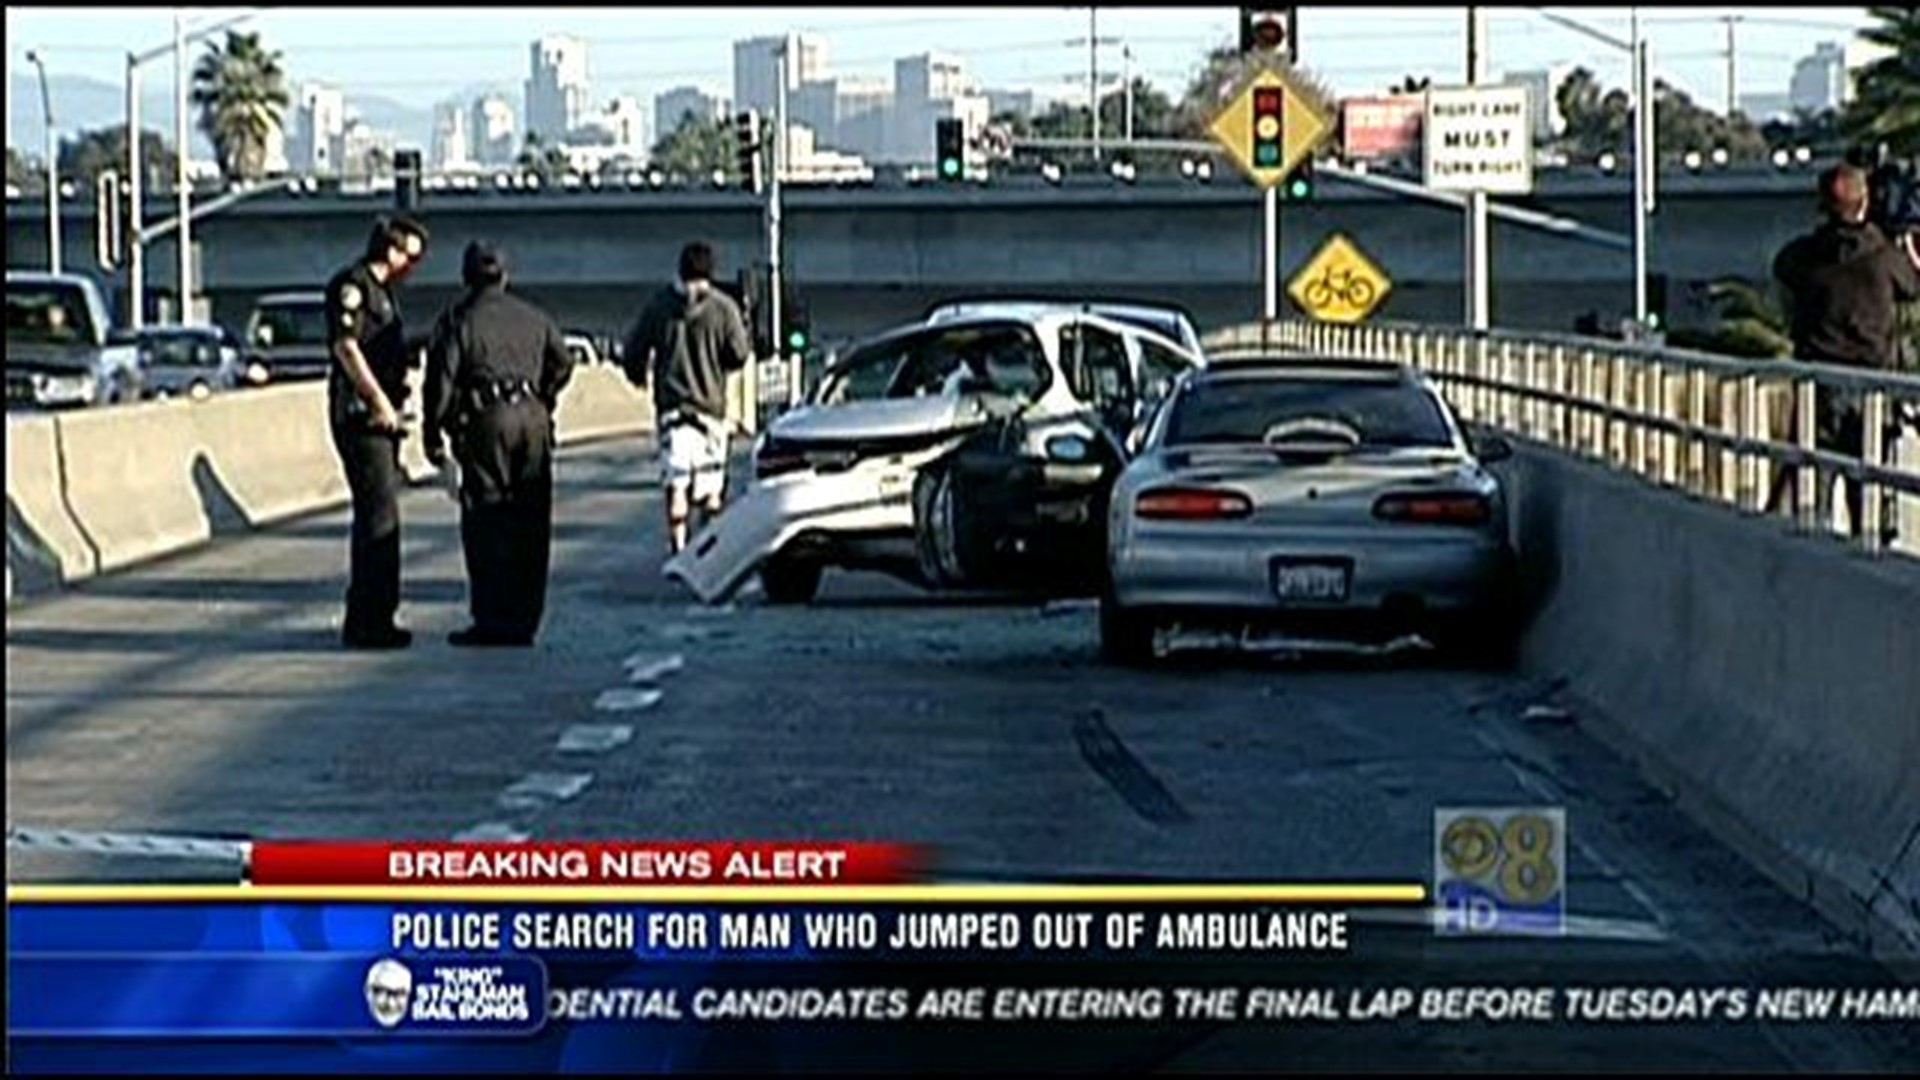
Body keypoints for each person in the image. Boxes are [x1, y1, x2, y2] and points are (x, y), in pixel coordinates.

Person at [424, 242, 575, 647]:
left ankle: (492, 618)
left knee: (487, 521)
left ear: (466, 278)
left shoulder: (459, 320)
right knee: (531, 519)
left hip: (485, 423)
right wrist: (542, 395)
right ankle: (525, 618)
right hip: (533, 421)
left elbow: (440, 381)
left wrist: (433, 435)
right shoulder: (534, 316)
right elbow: (564, 362)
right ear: (504, 277)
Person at [1769, 164, 1920, 535]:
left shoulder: (1803, 257)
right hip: (1873, 392)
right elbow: (1913, 286)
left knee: (1810, 495)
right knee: (1868, 495)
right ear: (1865, 202)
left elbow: (1783, 267)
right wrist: (1901, 241)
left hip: (1817, 389)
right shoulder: (1883, 258)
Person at [327, 214, 429, 649]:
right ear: (391, 250)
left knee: (380, 516)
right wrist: (378, 402)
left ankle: (374, 615)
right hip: (360, 417)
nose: (413, 268)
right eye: (411, 257)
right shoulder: (352, 287)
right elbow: (346, 347)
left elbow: (384, 349)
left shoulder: (385, 296)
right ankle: (368, 621)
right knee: (377, 518)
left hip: (384, 419)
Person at [621, 241, 754, 555]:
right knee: (710, 486)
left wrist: (638, 375)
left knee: (676, 480)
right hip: (710, 411)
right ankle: (707, 549)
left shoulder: (660, 306)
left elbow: (634, 351)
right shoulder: (724, 308)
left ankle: (678, 544)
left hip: (672, 409)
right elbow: (739, 354)